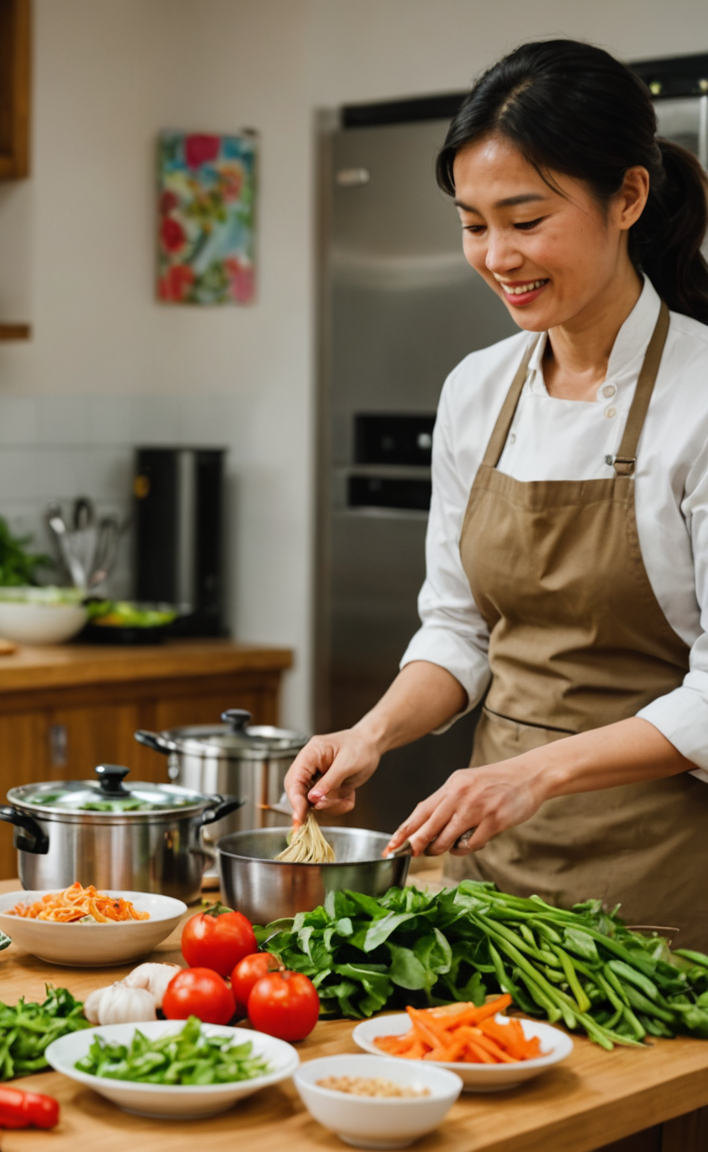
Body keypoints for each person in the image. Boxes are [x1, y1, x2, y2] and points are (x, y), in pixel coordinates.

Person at [285, 40, 708, 944]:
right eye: (473, 224)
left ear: (628, 198)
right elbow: (460, 629)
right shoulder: (479, 387)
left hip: (664, 877)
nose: (497, 256)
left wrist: (538, 774)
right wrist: (373, 732)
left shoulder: (700, 398)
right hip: (492, 872)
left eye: (525, 218)